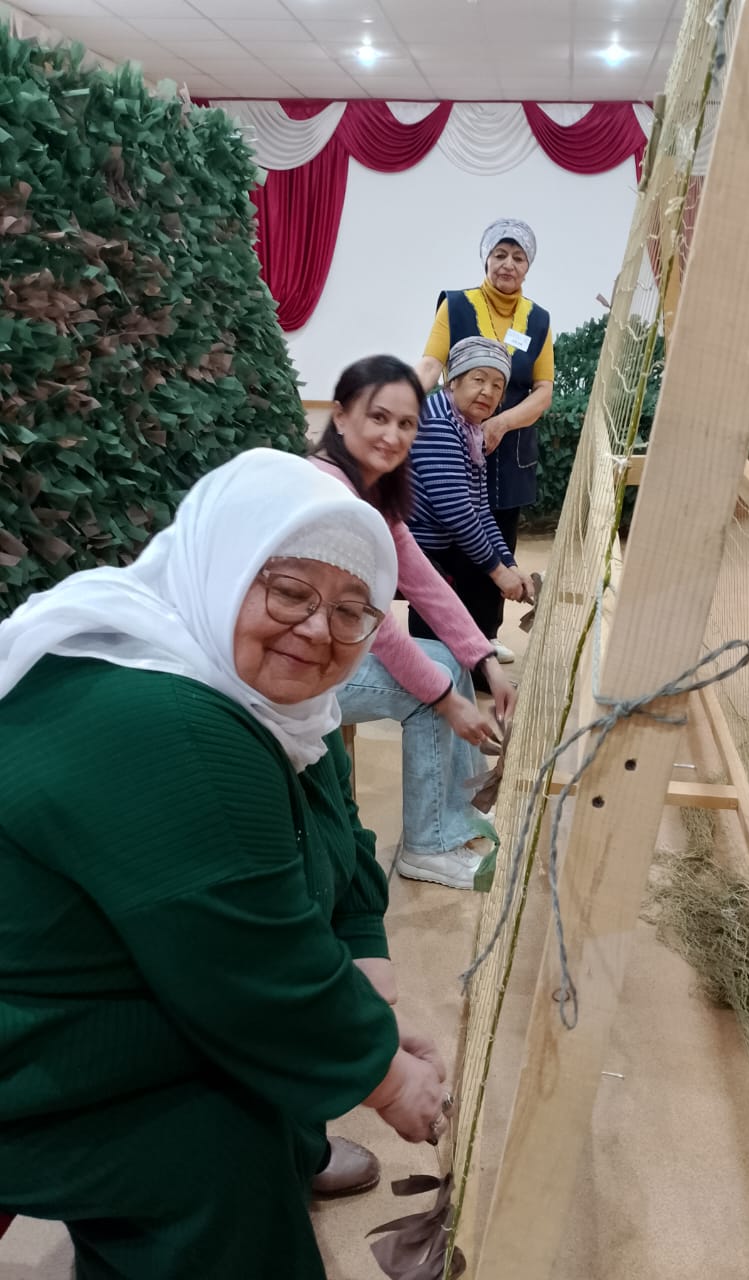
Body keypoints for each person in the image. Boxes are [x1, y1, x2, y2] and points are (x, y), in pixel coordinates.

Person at [0, 450, 449, 1280]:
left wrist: (367, 972)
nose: (317, 628)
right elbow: (252, 964)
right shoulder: (172, 723)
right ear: (224, 564)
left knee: (279, 1085)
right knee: (222, 1163)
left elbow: (339, 833)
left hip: (117, 977)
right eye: (289, 590)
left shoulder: (271, 698)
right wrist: (385, 1078)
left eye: (351, 609)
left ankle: (290, 1147)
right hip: (33, 1055)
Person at [309, 354, 517, 891]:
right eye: (378, 417)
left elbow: (425, 582)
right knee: (429, 691)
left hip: (325, 644)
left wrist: (486, 662)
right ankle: (429, 845)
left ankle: (459, 809)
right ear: (340, 415)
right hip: (292, 667)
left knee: (448, 659)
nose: (393, 435)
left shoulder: (370, 489)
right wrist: (446, 699)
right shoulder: (332, 495)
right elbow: (375, 627)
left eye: (406, 423)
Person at [415, 217, 553, 662]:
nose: (508, 264)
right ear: (486, 259)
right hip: (462, 430)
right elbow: (430, 365)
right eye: (500, 254)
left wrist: (499, 423)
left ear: (528, 266)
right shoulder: (456, 305)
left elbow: (543, 390)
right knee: (456, 535)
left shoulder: (538, 319)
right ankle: (447, 642)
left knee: (496, 526)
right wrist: (402, 406)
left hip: (506, 445)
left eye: (518, 257)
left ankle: (484, 637)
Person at [406, 337, 534, 656]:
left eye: (497, 385)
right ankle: (438, 662)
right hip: (412, 544)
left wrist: (510, 564)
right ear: (453, 381)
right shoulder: (439, 422)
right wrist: (500, 573)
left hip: (436, 541)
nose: (488, 391)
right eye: (478, 379)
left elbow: (480, 509)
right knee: (477, 572)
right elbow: (458, 513)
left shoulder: (470, 428)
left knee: (483, 566)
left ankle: (470, 657)